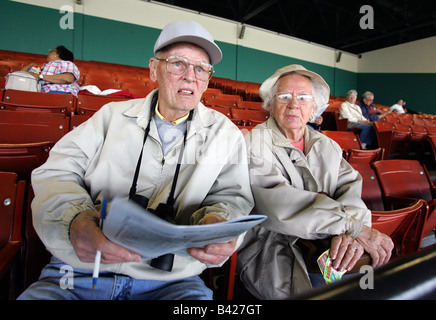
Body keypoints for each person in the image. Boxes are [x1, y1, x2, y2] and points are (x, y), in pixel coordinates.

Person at [18, 21, 254, 300]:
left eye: (201, 68)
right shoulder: (111, 116)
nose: (191, 76)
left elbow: (233, 197)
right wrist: (74, 220)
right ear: (154, 68)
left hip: (171, 281)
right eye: (178, 64)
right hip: (77, 272)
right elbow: (58, 172)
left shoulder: (224, 134)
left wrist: (217, 223)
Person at [236, 65, 394, 300]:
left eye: (303, 98)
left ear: (313, 109)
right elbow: (279, 206)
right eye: (284, 96)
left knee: (380, 288)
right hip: (273, 250)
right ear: (270, 105)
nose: (293, 104)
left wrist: (352, 233)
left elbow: (349, 190)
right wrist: (353, 227)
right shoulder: (253, 144)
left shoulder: (326, 144)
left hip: (330, 242)